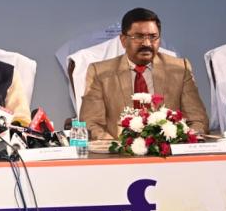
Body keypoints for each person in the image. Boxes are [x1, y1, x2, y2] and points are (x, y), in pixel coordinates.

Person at [79, 8, 209, 139]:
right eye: (139, 37)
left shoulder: (180, 69)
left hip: (168, 149)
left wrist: (182, 141)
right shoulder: (100, 72)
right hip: (119, 148)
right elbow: (91, 123)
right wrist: (118, 147)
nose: (147, 43)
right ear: (123, 40)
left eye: (153, 37)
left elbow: (198, 120)